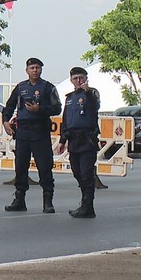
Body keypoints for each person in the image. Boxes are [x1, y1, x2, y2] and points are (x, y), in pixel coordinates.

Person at [2, 57, 61, 213]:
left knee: (45, 167)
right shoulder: (21, 87)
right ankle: (19, 199)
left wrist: (39, 109)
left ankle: (48, 201)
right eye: (32, 68)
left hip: (40, 132)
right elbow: (9, 106)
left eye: (37, 68)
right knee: (20, 167)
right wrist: (5, 121)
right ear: (26, 70)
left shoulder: (48, 87)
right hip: (23, 133)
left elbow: (57, 108)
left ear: (41, 70)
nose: (35, 70)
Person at [57, 67, 101, 218]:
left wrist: (87, 92)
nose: (78, 81)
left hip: (87, 139)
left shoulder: (91, 93)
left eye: (81, 78)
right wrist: (62, 140)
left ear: (86, 78)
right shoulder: (69, 98)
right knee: (77, 172)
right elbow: (66, 120)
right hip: (73, 140)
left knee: (86, 173)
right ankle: (84, 201)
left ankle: (88, 206)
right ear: (71, 80)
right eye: (75, 78)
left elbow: (95, 106)